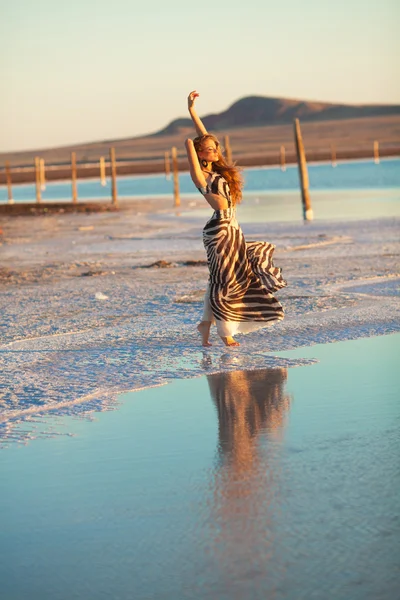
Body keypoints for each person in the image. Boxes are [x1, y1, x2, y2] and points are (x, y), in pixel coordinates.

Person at [185, 90, 286, 347]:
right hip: (218, 230)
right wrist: (192, 145)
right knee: (224, 277)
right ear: (200, 155)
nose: (215, 151)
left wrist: (192, 111)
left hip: (233, 227)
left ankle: (205, 324)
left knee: (225, 275)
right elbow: (194, 143)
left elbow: (204, 137)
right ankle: (225, 331)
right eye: (209, 150)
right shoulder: (200, 177)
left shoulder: (219, 169)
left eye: (216, 147)